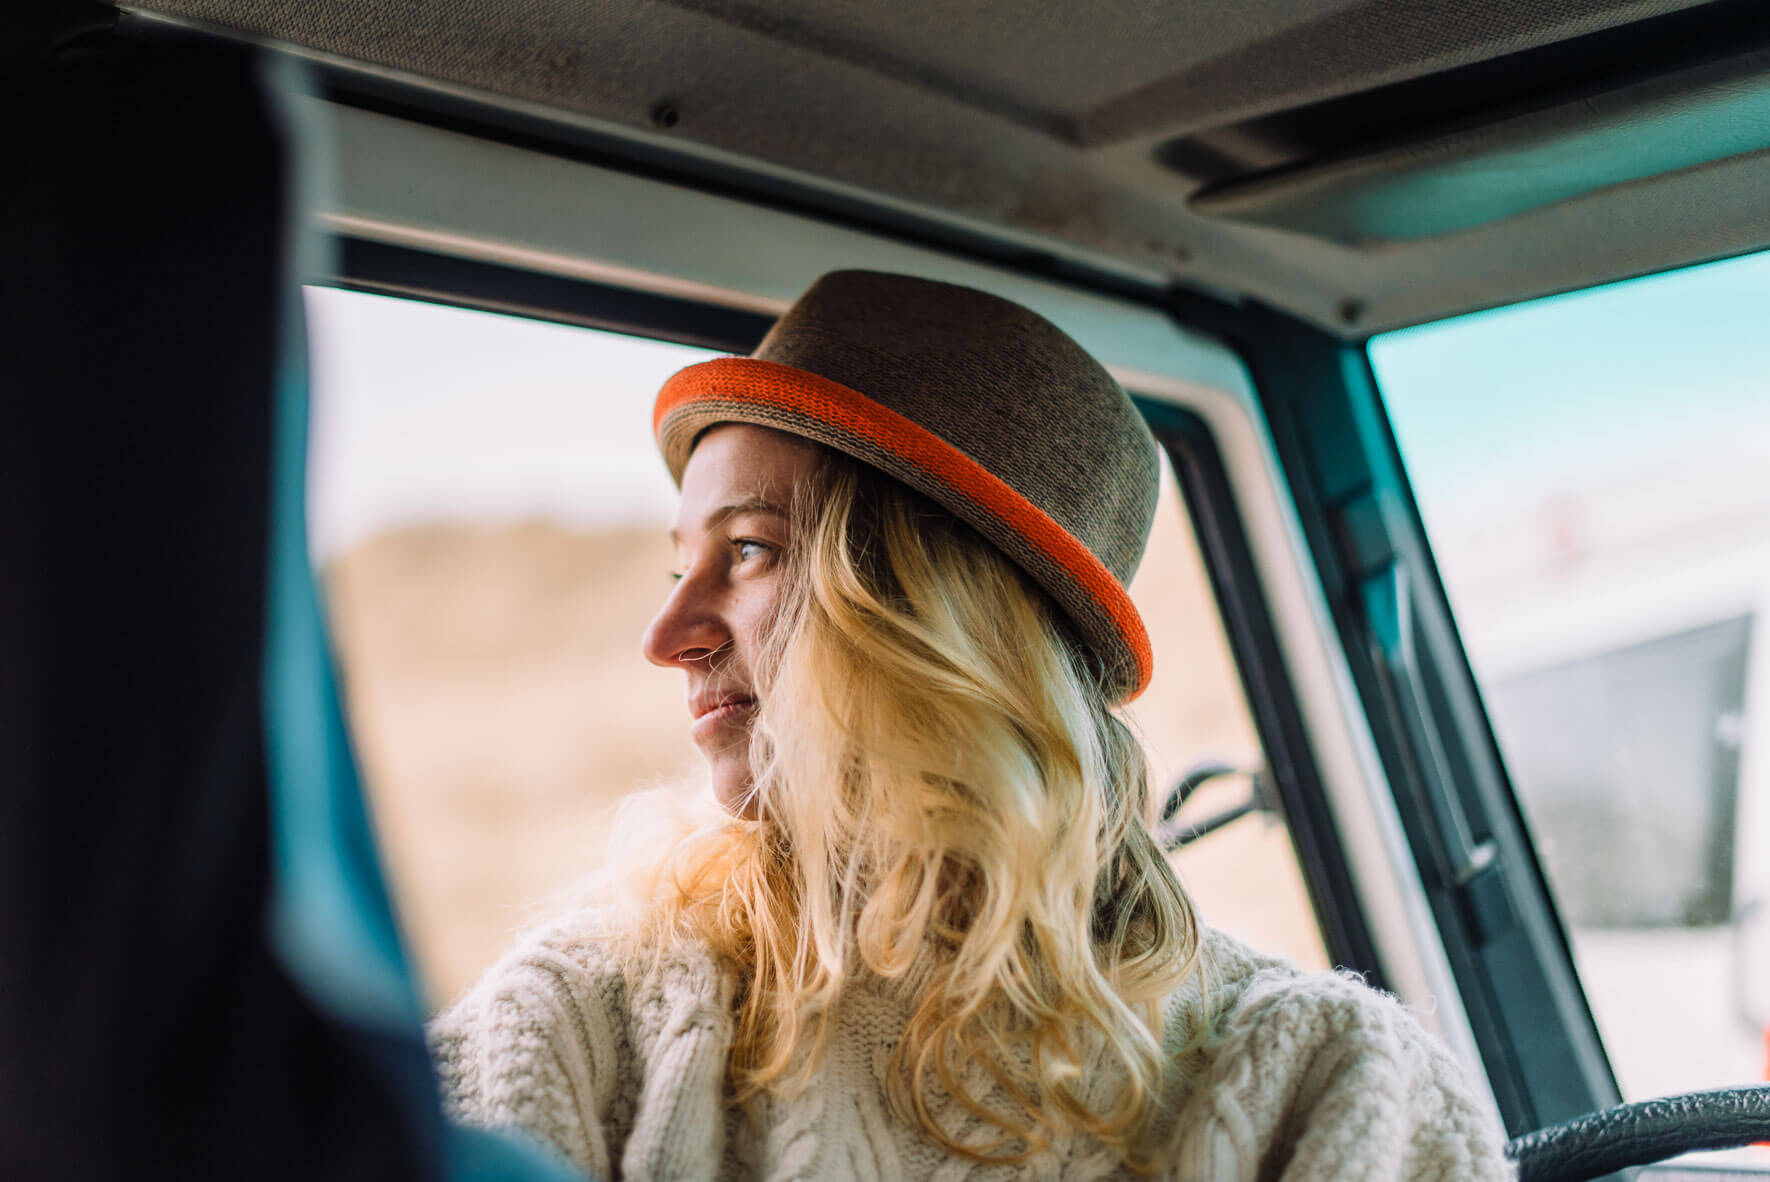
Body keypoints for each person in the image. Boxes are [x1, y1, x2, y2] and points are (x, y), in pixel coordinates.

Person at [428, 270, 1514, 1180]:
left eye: (749, 549)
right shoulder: (579, 1026)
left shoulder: (1329, 1082)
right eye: (679, 569)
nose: (666, 635)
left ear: (943, 614)